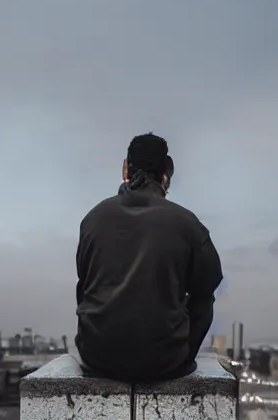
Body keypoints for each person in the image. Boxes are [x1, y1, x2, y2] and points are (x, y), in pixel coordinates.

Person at [75, 132, 223, 381]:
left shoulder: (93, 219)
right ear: (166, 173)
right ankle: (180, 355)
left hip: (96, 358)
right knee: (204, 297)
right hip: (164, 363)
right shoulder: (186, 223)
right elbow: (208, 284)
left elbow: (84, 285)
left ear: (125, 169)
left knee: (87, 283)